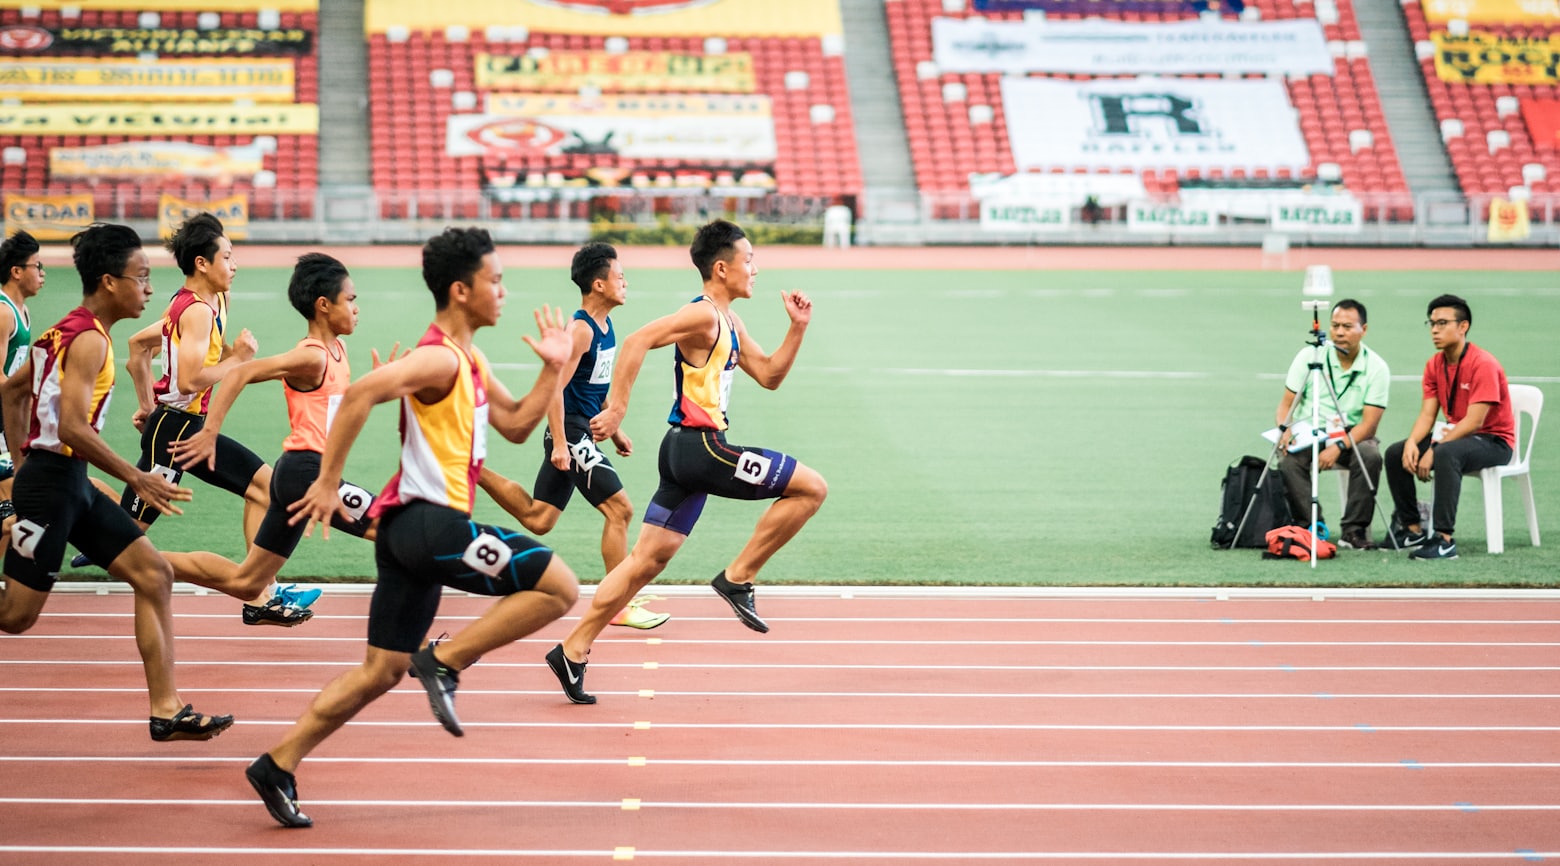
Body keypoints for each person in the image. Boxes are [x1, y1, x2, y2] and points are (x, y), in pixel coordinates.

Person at [245, 226, 580, 829]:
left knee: (382, 670)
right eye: (494, 281)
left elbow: (519, 425)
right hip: (431, 526)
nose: (503, 292)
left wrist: (556, 368)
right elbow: (357, 397)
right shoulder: (437, 357)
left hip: (408, 535)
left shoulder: (469, 357)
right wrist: (327, 481)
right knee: (560, 588)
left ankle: (277, 763)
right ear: (460, 290)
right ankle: (447, 661)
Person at [544, 219, 828, 705]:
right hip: (702, 449)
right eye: (749, 260)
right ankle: (738, 578)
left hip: (684, 455)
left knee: (643, 563)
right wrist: (616, 409)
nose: (756, 270)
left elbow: (770, 374)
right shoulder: (701, 316)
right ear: (721, 268)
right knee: (811, 488)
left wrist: (797, 329)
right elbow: (636, 341)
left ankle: (572, 649)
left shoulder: (730, 321)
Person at [0, 222, 233, 741]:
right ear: (109, 282)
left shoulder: (64, 331)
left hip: (65, 480)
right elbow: (72, 428)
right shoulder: (85, 341)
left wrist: (20, 466)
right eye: (141, 278)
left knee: (153, 574)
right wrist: (136, 477)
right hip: (52, 486)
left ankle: (166, 709)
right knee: (15, 617)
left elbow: (12, 393)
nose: (149, 289)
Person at [96, 212, 316, 624]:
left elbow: (138, 347)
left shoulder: (215, 301)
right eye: (227, 257)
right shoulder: (194, 310)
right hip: (175, 432)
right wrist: (240, 361)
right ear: (202, 263)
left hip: (183, 425)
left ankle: (259, 591)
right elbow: (191, 378)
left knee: (267, 490)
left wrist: (146, 403)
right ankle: (88, 521)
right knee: (128, 538)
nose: (234, 266)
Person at [163, 254, 393, 624]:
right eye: (350, 300)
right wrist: (210, 432)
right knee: (395, 529)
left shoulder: (338, 349)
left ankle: (134, 556)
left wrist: (376, 385)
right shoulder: (310, 356)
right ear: (323, 305)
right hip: (307, 474)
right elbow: (239, 375)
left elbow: (334, 408)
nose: (356, 308)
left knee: (246, 581)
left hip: (298, 474)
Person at [478, 242, 667, 630]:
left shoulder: (605, 325)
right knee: (620, 510)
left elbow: (591, 389)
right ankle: (618, 604)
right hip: (571, 432)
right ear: (598, 285)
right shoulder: (580, 330)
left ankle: (472, 468)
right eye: (619, 276)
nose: (625, 282)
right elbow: (554, 390)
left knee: (540, 517)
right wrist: (562, 443)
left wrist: (616, 431)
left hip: (584, 430)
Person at [1383, 294, 1514, 561]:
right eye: (1431, 323)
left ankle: (1444, 540)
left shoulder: (1483, 364)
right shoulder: (1434, 364)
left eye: (1442, 323)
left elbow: (1474, 422)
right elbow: (1427, 415)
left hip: (1493, 442)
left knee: (1445, 453)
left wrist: (1435, 447)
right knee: (1396, 453)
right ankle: (1412, 529)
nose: (1434, 330)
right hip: (1455, 437)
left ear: (1463, 326)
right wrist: (1412, 442)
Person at [1273, 299, 1390, 550]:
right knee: (1287, 461)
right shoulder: (1310, 355)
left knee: (1370, 455)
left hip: (1353, 435)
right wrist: (1286, 430)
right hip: (1310, 432)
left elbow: (1369, 425)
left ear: (1364, 330)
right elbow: (1285, 405)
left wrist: (1337, 446)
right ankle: (1311, 527)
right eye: (1335, 325)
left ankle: (1354, 530)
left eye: (1347, 326)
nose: (1339, 332)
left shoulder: (1377, 368)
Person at [0, 231, 43, 507]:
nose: (42, 273)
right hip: (2, 412)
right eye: (36, 266)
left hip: (7, 411)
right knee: (13, 496)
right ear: (16, 271)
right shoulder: (3, 312)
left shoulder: (22, 310)